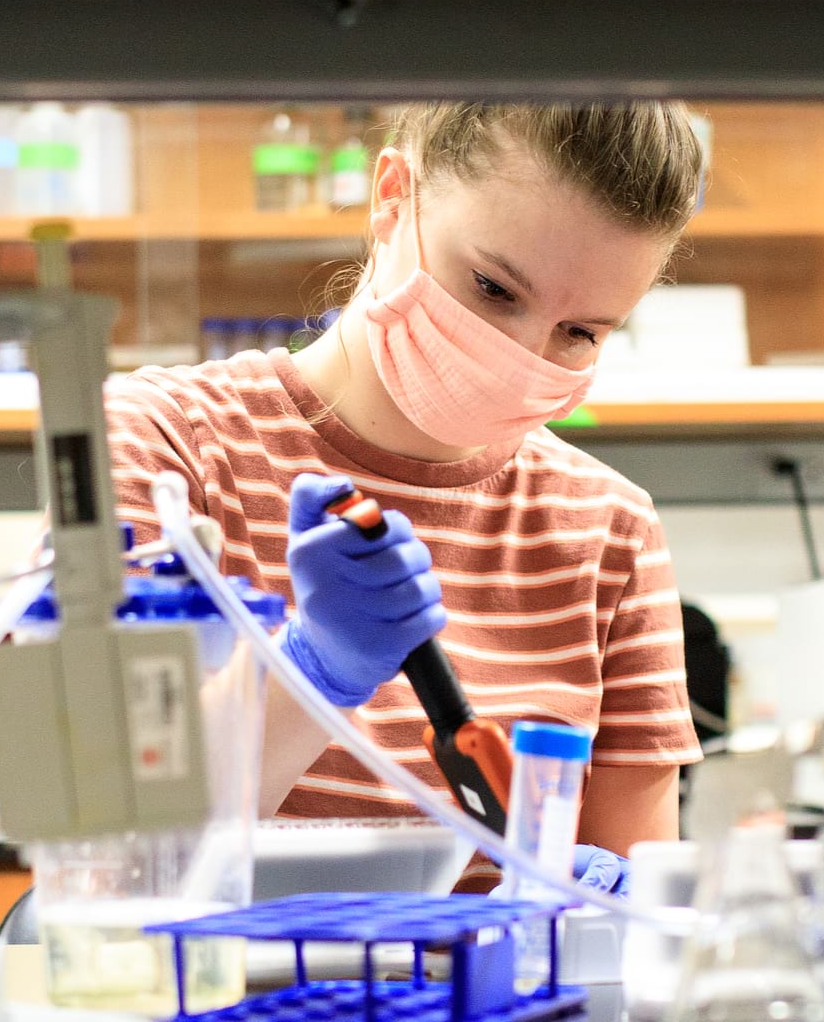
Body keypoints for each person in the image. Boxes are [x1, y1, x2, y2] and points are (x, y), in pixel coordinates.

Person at [106, 103, 704, 892]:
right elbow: (115, 849)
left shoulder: (607, 528)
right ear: (394, 198)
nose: (520, 354)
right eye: (493, 288)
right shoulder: (168, 447)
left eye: (582, 332)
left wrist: (618, 909)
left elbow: (638, 925)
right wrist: (309, 673)